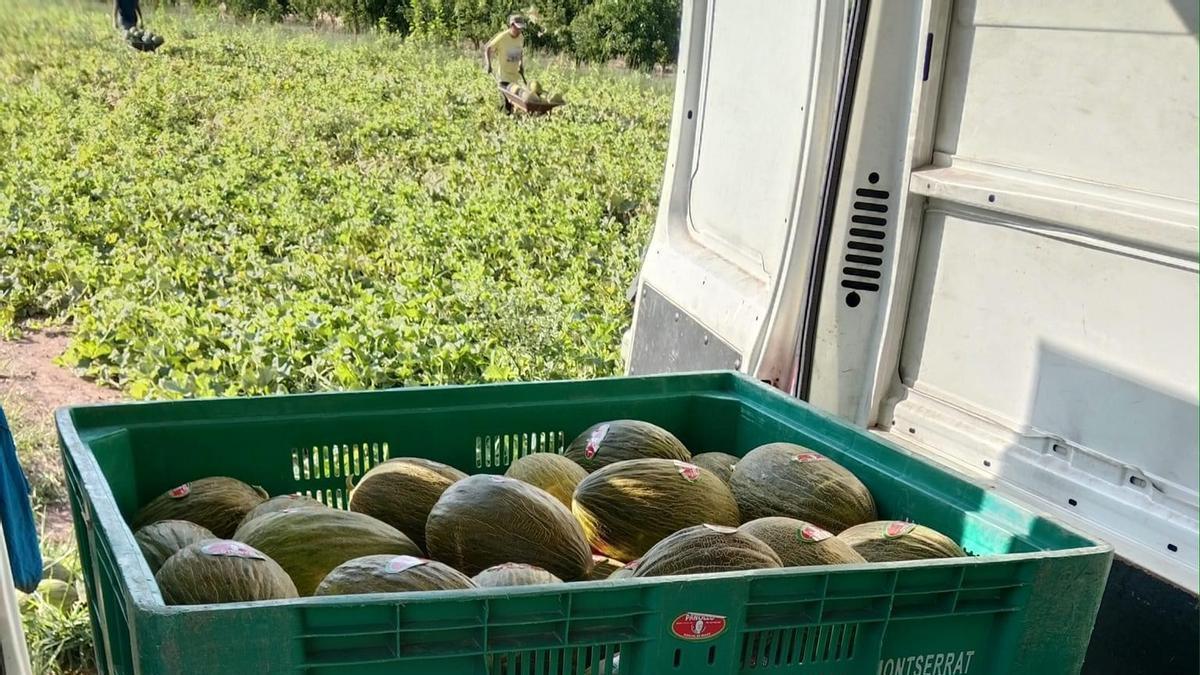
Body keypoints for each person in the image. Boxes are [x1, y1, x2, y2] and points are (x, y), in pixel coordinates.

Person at [483, 14, 526, 113]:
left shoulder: (521, 38)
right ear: (512, 25)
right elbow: (488, 48)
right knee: (506, 101)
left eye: (521, 29)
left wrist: (521, 64)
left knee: (512, 104)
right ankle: (500, 119)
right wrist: (488, 64)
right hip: (503, 76)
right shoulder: (502, 37)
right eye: (517, 28)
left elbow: (520, 52)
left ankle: (508, 120)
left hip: (514, 77)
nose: (519, 31)